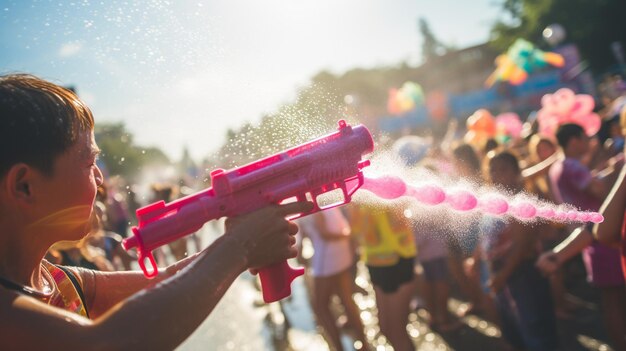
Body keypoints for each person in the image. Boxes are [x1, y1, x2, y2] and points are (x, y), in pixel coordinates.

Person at [0, 74, 312, 349]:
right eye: (88, 163)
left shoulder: (55, 279)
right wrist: (240, 248)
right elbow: (106, 342)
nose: (101, 180)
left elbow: (163, 282)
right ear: (24, 187)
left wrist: (239, 242)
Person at [536, 123, 625, 350]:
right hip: (601, 238)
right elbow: (599, 192)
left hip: (585, 236)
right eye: (585, 137)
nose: (588, 142)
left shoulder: (558, 166)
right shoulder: (573, 166)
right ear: (574, 141)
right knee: (614, 300)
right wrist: (617, 174)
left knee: (609, 299)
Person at [482, 150, 559, 351]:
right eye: (493, 170)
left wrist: (502, 276)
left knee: (534, 329)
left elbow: (521, 244)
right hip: (502, 272)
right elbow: (488, 235)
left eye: (503, 170)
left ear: (517, 172)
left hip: (523, 272)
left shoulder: (521, 201)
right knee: (514, 329)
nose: (497, 175)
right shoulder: (494, 201)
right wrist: (477, 258)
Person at [350, 204, 416, 351]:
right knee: (386, 329)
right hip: (375, 263)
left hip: (398, 259)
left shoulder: (382, 187)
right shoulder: (356, 196)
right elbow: (355, 230)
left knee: (397, 331)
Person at [301, 208, 368, 351]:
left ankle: (338, 347)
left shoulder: (305, 199)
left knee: (320, 306)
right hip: (341, 252)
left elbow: (323, 232)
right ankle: (364, 343)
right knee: (346, 298)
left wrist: (345, 236)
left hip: (327, 255)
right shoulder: (320, 194)